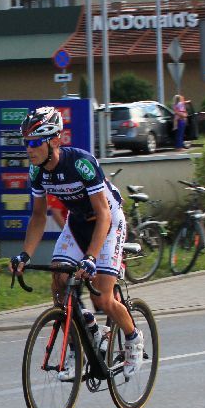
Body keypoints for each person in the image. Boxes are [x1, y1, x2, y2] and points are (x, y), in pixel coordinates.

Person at [9, 106, 144, 376]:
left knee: (103, 298)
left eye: (35, 143)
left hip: (107, 222)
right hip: (78, 222)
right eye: (26, 143)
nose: (29, 149)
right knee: (59, 282)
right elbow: (38, 216)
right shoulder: (37, 172)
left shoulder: (81, 163)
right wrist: (25, 255)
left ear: (54, 140)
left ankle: (133, 339)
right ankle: (80, 340)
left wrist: (91, 257)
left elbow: (104, 214)